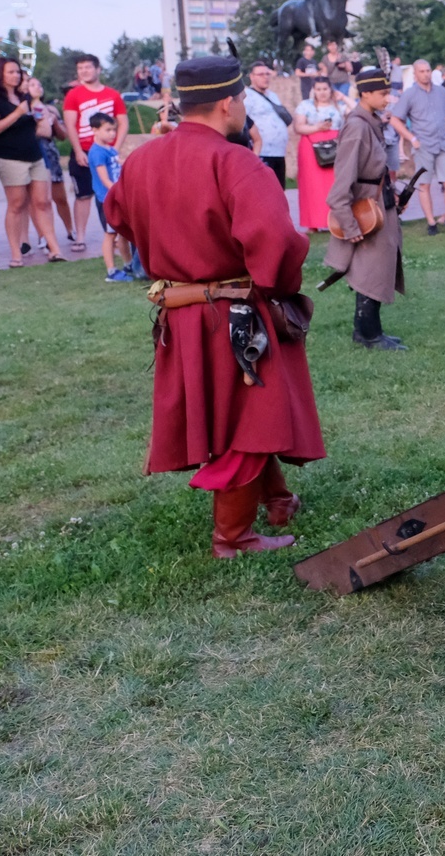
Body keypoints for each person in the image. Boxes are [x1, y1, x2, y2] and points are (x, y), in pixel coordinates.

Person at [103, 54, 323, 558]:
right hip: (235, 315)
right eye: (243, 99)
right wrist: (278, 286)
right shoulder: (236, 162)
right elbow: (276, 243)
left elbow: (118, 214)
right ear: (228, 103)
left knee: (242, 413)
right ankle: (233, 537)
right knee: (251, 419)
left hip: (180, 315)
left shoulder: (142, 160)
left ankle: (278, 500)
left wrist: (169, 252)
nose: (244, 108)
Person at [324, 68, 407, 350]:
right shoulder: (357, 127)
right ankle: (369, 334)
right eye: (383, 93)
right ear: (366, 93)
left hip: (378, 202)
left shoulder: (370, 122)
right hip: (364, 209)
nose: (387, 98)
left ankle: (368, 330)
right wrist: (348, 224)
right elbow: (342, 182)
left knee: (377, 267)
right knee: (369, 270)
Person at [0, 58, 66, 268]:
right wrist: (17, 113)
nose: (16, 75)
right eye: (11, 72)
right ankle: (16, 254)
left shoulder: (24, 97)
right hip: (10, 157)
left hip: (35, 155)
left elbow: (40, 126)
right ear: (0, 74)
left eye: (18, 72)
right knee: (17, 204)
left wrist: (39, 112)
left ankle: (55, 249)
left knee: (43, 202)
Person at [62, 54, 126, 252]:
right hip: (84, 151)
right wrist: (78, 150)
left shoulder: (112, 94)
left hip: (107, 152)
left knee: (110, 191)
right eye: (80, 68)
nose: (84, 71)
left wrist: (115, 148)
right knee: (83, 195)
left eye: (88, 67)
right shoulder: (74, 95)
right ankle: (80, 237)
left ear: (98, 69)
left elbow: (123, 122)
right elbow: (70, 124)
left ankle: (115, 235)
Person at [389, 59, 445, 233]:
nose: (426, 74)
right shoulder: (409, 94)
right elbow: (394, 119)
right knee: (424, 185)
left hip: (443, 144)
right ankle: (431, 223)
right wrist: (411, 137)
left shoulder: (442, 92)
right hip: (423, 146)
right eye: (421, 71)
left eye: (428, 70)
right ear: (415, 74)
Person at [25, 74, 76, 249]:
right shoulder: (23, 109)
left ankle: (70, 230)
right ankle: (43, 236)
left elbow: (62, 136)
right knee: (37, 200)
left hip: (50, 155)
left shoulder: (50, 109)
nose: (37, 87)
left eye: (39, 84)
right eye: (32, 84)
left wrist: (54, 123)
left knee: (59, 196)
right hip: (32, 154)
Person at [293, 76, 343, 233]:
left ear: (330, 89)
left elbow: (354, 111)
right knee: (311, 185)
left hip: (334, 146)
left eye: (325, 89)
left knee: (335, 183)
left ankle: (336, 220)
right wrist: (317, 128)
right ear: (313, 90)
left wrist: (343, 97)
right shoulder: (305, 105)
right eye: (318, 89)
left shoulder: (338, 105)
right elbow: (298, 127)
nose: (322, 92)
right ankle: (312, 223)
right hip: (310, 146)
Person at [86, 114, 130, 279]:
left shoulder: (110, 150)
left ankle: (128, 264)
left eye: (114, 130)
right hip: (107, 199)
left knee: (124, 233)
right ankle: (111, 271)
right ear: (95, 130)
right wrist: (120, 191)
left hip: (117, 197)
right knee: (110, 234)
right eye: (108, 130)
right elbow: (105, 179)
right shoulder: (97, 152)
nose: (112, 133)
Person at [241, 62, 292, 187]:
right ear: (252, 76)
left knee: (279, 189)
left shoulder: (272, 95)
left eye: (267, 74)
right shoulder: (247, 96)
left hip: (279, 152)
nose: (265, 77)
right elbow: (244, 123)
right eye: (261, 74)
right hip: (262, 153)